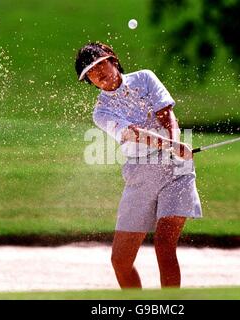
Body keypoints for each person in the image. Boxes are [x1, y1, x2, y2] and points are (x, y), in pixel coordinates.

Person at [75, 42, 202, 289]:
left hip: (177, 171)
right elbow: (134, 133)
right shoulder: (101, 111)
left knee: (164, 245)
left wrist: (175, 145)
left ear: (113, 61)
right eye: (91, 72)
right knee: (120, 260)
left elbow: (167, 116)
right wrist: (171, 145)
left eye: (101, 64)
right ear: (88, 80)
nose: (99, 73)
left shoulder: (145, 78)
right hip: (140, 174)